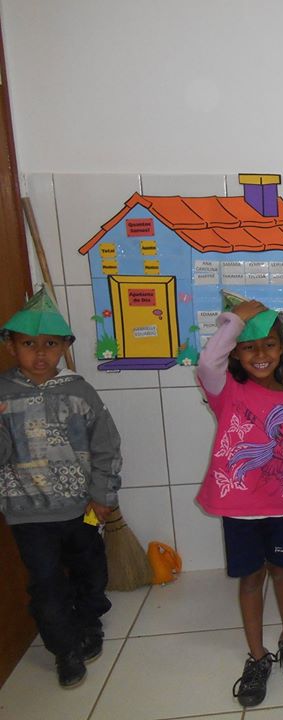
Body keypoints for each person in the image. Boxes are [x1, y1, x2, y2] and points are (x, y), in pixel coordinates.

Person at [196, 293, 283, 708]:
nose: (260, 354)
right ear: (236, 353)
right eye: (249, 346)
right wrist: (235, 320)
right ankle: (256, 657)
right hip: (239, 512)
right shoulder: (226, 392)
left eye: (268, 344)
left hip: (282, 510)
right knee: (251, 580)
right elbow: (206, 363)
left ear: (282, 348)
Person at [0, 288, 121, 688]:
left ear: (65, 346)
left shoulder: (79, 390)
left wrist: (103, 495)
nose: (39, 354)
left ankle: (89, 623)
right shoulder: (2, 393)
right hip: (28, 512)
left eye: (50, 344)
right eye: (28, 344)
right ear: (11, 345)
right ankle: (64, 649)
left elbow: (106, 443)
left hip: (81, 506)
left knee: (91, 570)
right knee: (47, 584)